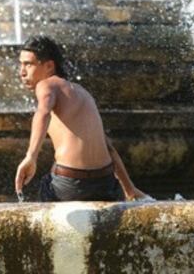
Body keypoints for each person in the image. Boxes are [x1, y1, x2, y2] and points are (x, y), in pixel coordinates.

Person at [14, 35, 148, 202]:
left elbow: (43, 112)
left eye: (28, 64)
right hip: (106, 185)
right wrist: (129, 189)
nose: (22, 72)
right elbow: (109, 148)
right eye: (20, 64)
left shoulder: (47, 84)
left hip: (71, 186)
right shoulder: (82, 92)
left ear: (49, 66)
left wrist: (31, 156)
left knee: (45, 184)